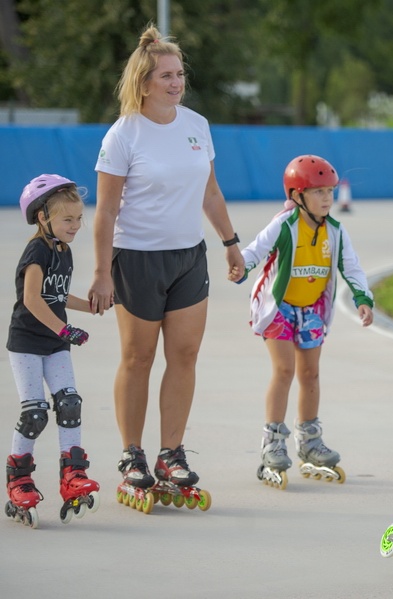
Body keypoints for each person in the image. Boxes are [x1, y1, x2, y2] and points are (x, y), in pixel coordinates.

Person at [88, 24, 244, 494]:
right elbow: (106, 211)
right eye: (166, 76)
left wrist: (230, 242)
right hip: (135, 259)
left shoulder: (197, 125)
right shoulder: (124, 134)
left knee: (185, 354)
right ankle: (131, 453)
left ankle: (170, 453)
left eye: (179, 74)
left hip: (187, 258)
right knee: (138, 357)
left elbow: (210, 191)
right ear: (143, 82)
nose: (176, 83)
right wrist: (100, 273)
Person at [238, 155, 374, 486]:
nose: (327, 198)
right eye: (318, 192)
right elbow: (255, 251)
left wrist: (363, 299)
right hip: (279, 307)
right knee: (284, 371)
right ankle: (272, 442)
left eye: (330, 191)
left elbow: (351, 267)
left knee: (310, 374)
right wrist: (239, 266)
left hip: (311, 309)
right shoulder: (284, 225)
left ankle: (310, 441)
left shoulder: (336, 231)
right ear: (297, 195)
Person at [6, 174, 100, 527]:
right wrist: (64, 328)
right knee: (35, 413)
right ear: (43, 217)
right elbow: (31, 299)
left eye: (78, 218)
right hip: (28, 343)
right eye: (68, 219)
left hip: (56, 343)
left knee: (70, 403)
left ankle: (73, 474)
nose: (76, 226)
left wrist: (91, 306)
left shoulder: (63, 250)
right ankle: (18, 479)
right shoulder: (38, 251)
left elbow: (57, 297)